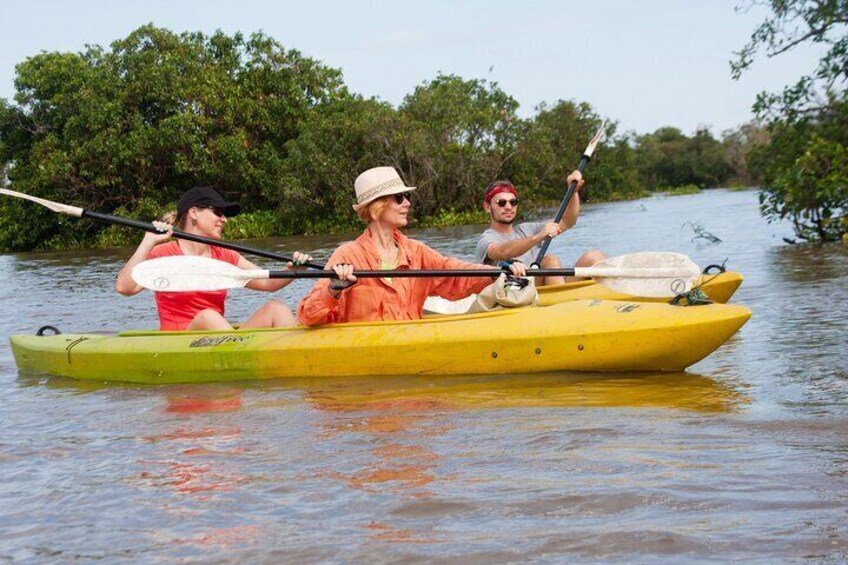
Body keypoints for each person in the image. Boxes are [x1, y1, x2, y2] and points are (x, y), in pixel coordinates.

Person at [298, 167, 526, 326]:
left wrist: (498, 272)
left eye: (406, 197)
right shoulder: (347, 254)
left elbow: (455, 274)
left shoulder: (417, 252)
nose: (407, 203)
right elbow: (308, 316)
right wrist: (333, 289)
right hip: (365, 355)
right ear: (377, 206)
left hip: (406, 349)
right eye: (399, 197)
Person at [116, 186, 310, 331]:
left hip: (219, 337)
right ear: (194, 213)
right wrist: (148, 242)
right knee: (208, 316)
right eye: (217, 212)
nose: (224, 219)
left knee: (276, 309)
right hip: (180, 343)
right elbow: (125, 288)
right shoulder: (163, 254)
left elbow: (268, 283)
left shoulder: (225, 255)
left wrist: (293, 271)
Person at [475, 173, 606, 286]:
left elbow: (567, 221)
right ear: (487, 207)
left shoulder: (527, 229)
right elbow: (503, 251)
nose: (508, 207)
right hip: (517, 293)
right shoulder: (486, 239)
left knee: (594, 257)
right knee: (550, 260)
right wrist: (538, 237)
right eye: (501, 203)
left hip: (547, 289)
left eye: (513, 202)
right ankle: (561, 306)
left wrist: (573, 191)